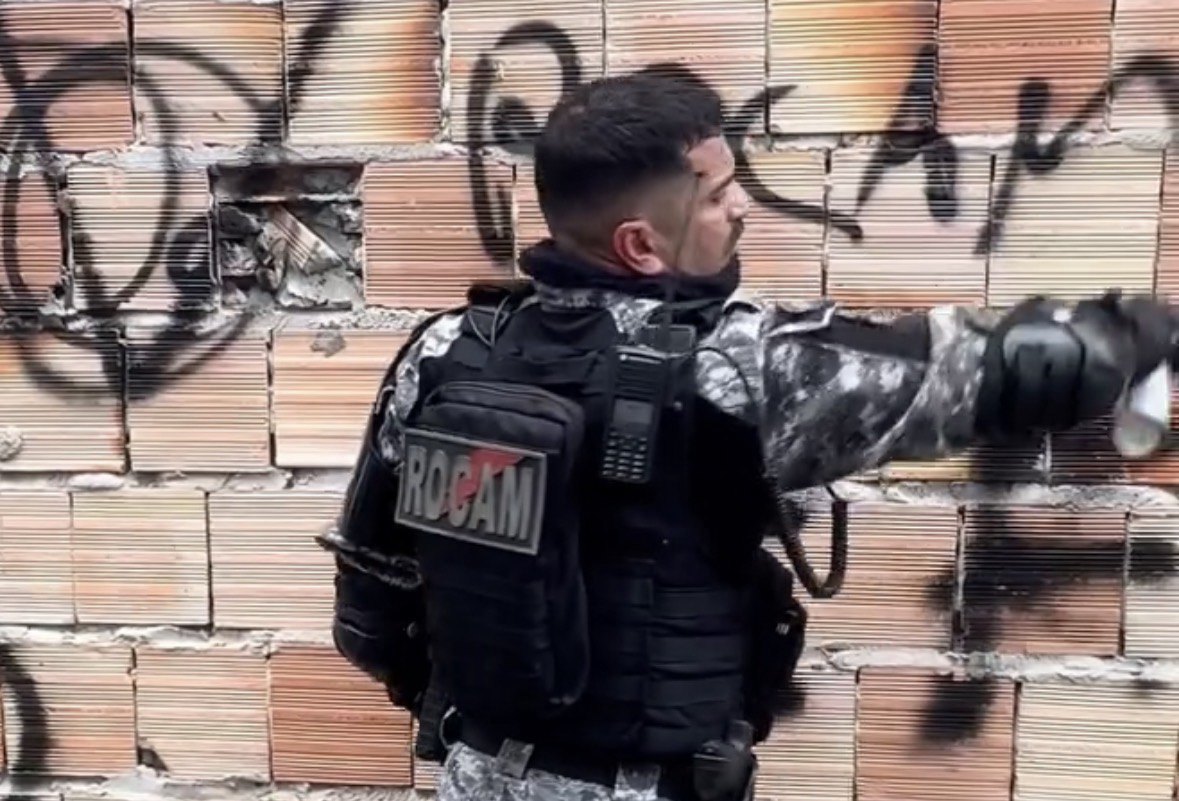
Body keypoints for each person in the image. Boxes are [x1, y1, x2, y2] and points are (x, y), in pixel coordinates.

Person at [317, 73, 1178, 801]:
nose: (741, 208)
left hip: (474, 774)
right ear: (640, 244)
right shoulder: (730, 365)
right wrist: (1130, 335)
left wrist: (488, 707)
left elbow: (370, 593)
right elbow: (982, 371)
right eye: (716, 192)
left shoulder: (446, 352)